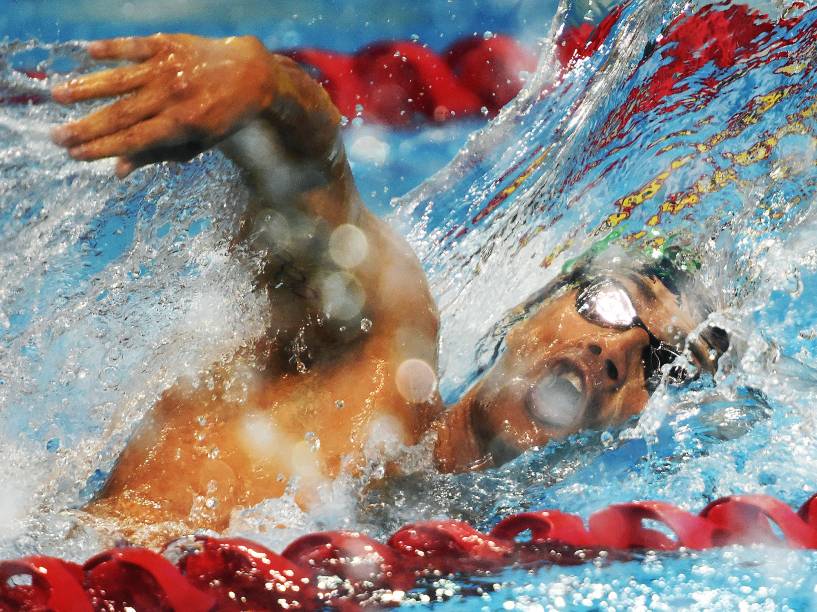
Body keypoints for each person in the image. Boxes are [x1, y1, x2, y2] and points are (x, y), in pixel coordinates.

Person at [50, 32, 726, 540]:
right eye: (609, 306)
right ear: (530, 312)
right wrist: (266, 92)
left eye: (659, 365)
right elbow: (316, 186)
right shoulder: (380, 357)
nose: (616, 354)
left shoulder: (464, 552)